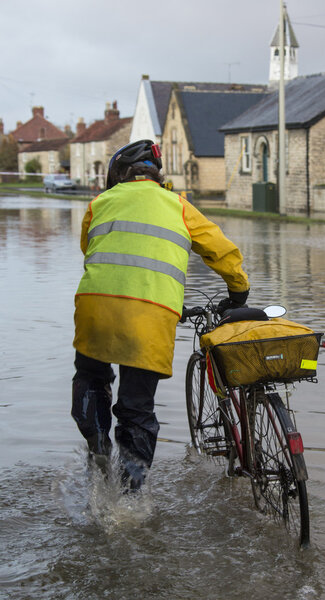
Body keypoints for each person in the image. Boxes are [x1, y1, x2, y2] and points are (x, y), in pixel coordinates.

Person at [71, 139, 249, 491]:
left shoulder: (99, 203)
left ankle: (98, 447)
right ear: (157, 175)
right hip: (152, 315)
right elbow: (221, 250)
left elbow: (90, 249)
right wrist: (238, 291)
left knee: (91, 378)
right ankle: (132, 494)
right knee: (137, 408)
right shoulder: (179, 206)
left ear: (120, 174)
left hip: (96, 307)